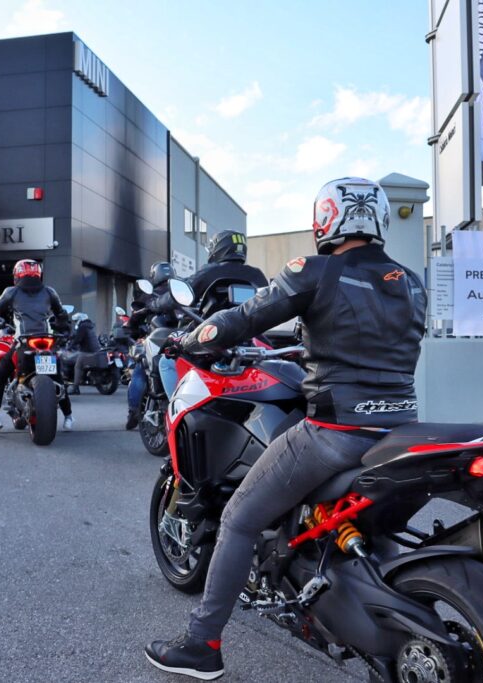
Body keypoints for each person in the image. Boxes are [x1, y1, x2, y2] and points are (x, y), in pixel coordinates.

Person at [145, 177, 427, 680]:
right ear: (379, 219)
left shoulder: (315, 271)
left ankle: (200, 645)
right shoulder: (411, 281)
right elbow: (366, 344)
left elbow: (242, 318)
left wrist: (188, 338)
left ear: (326, 220)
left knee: (238, 519)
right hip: (401, 431)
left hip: (336, 433)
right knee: (379, 526)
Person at [0, 259, 74, 436]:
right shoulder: (49, 291)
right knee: (57, 377)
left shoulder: (11, 292)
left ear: (17, 275)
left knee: (0, 376)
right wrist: (63, 326)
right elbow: (62, 314)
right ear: (39, 274)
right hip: (46, 341)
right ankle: (68, 418)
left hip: (23, 341)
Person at [124, 261, 175, 430]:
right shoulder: (181, 292)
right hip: (183, 340)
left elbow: (136, 318)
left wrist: (130, 327)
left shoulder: (150, 296)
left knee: (139, 371)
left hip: (157, 341)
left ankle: (133, 412)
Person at [187, 230, 269, 317]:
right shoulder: (257, 275)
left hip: (212, 327)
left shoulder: (209, 271)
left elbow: (186, 292)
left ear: (219, 247)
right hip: (254, 328)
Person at [66, 312, 103, 395]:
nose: (75, 322)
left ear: (80, 319)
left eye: (76, 321)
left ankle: (75, 388)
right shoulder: (90, 326)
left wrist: (70, 347)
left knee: (77, 366)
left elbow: (78, 339)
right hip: (95, 350)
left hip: (87, 351)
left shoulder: (82, 327)